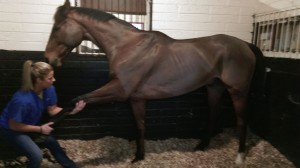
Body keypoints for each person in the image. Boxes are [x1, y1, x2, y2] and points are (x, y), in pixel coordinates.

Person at [0, 60, 86, 168]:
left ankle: (71, 166)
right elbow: (14, 125)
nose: (54, 80)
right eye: (50, 78)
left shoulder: (49, 89)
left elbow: (52, 110)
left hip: (28, 125)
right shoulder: (22, 100)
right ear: (39, 80)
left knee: (51, 141)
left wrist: (71, 111)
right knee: (37, 156)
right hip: (10, 130)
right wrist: (40, 129)